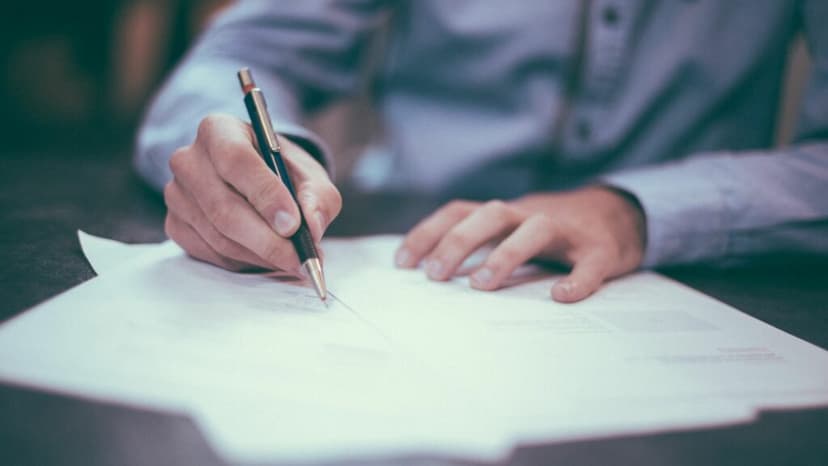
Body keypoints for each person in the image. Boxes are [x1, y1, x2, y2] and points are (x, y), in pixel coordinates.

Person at [135, 1, 828, 303]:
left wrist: (636, 211)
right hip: (408, 252)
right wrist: (244, 155)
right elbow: (233, 58)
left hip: (702, 277)